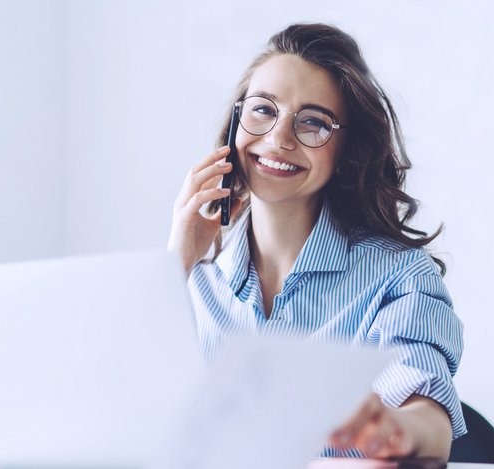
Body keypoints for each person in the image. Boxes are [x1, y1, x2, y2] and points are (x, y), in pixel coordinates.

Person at [167, 23, 465, 461]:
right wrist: (174, 265)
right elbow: (121, 415)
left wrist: (394, 429)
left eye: (313, 123)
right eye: (263, 110)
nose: (279, 139)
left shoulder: (397, 275)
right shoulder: (193, 281)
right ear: (236, 121)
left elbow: (429, 413)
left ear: (346, 151)